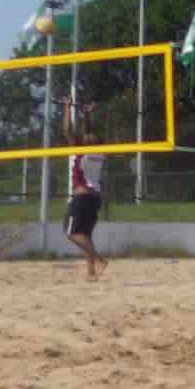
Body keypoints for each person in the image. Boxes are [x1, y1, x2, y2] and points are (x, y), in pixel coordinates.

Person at [63, 101, 110, 280]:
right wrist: (87, 115)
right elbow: (87, 133)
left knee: (71, 233)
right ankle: (91, 272)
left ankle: (99, 260)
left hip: (82, 197)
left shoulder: (81, 150)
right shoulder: (101, 152)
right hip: (95, 198)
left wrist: (67, 108)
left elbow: (67, 130)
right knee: (86, 235)